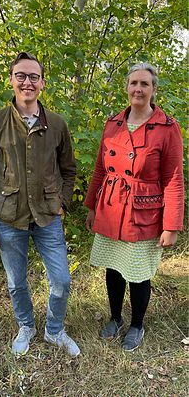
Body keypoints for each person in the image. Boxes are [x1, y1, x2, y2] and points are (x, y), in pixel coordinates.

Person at [0, 52, 80, 357]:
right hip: (9, 219)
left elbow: (69, 170)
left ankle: (54, 330)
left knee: (61, 279)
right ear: (11, 80)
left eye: (33, 76)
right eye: (21, 75)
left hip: (48, 216)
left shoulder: (57, 124)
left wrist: (62, 202)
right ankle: (26, 326)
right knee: (16, 282)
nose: (27, 82)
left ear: (42, 83)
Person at [84, 63, 184, 352]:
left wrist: (171, 224)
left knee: (138, 273)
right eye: (133, 83)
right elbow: (100, 170)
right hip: (111, 207)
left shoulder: (167, 128)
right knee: (114, 268)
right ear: (126, 88)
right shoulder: (113, 123)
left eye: (145, 84)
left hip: (144, 212)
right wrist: (91, 206)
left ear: (153, 90)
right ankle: (115, 318)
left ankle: (136, 325)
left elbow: (174, 180)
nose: (138, 89)